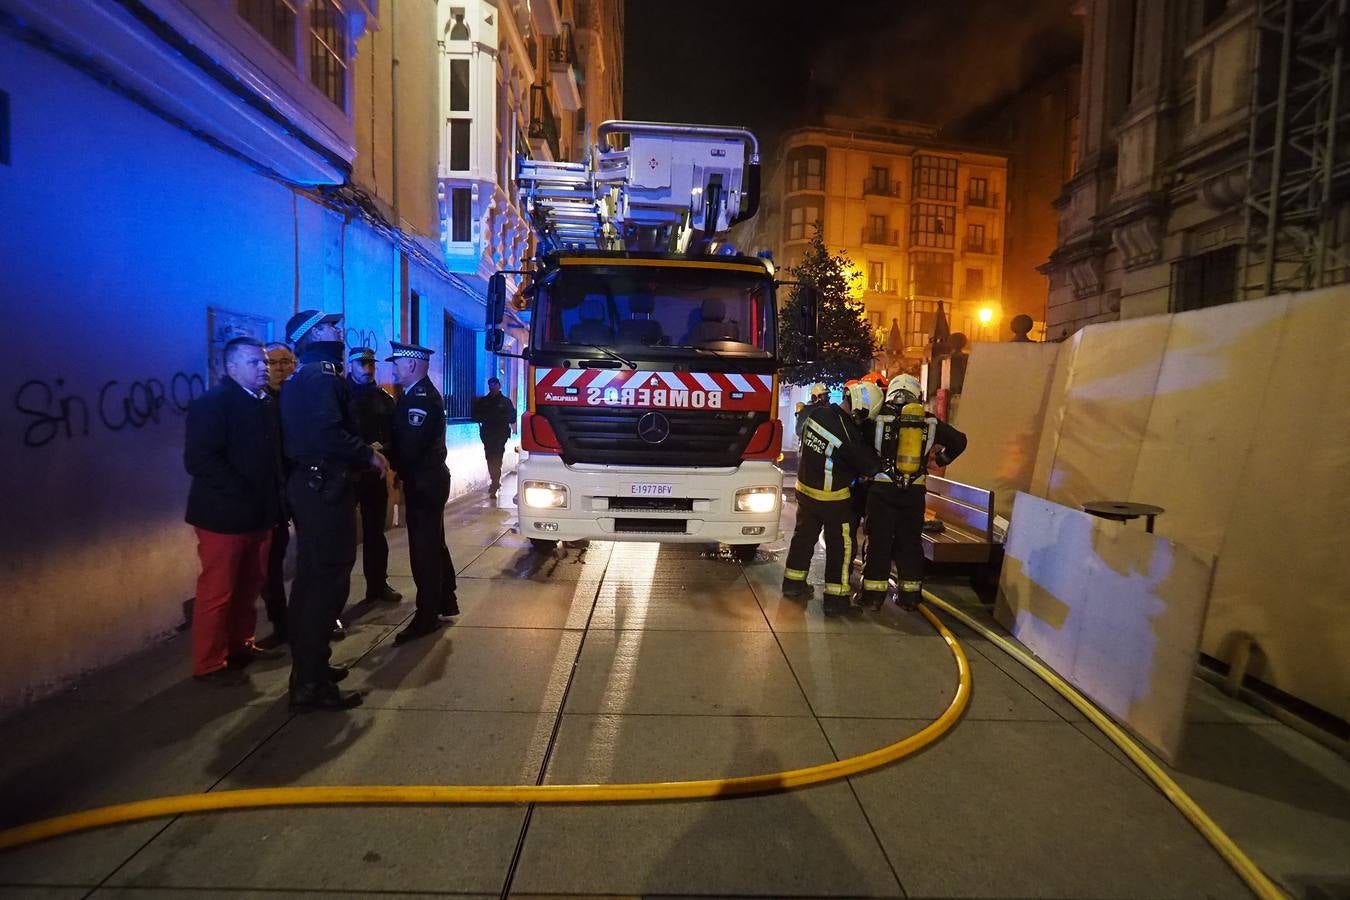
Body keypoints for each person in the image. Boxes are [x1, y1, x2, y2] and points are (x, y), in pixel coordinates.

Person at [280, 309, 386, 710]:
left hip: (312, 486)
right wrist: (368, 456)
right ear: (312, 335)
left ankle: (313, 669)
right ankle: (310, 685)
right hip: (324, 487)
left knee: (313, 581)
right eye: (329, 326)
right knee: (325, 584)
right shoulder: (322, 375)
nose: (338, 330)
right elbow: (328, 432)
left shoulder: (305, 376)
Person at [183, 337, 284, 684]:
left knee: (248, 586)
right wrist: (245, 492)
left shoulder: (265, 404)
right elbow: (200, 460)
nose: (263, 369)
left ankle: (241, 644)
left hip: (259, 515)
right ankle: (208, 662)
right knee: (218, 590)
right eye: (254, 363)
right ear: (231, 367)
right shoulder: (214, 404)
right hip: (222, 518)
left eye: (265, 363)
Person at [859, 373, 968, 611]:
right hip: (914, 493)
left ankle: (872, 597)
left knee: (879, 541)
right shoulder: (928, 421)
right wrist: (940, 459)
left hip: (881, 490)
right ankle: (910, 597)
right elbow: (960, 441)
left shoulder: (877, 419)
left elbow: (859, 446)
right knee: (909, 543)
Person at [782, 386, 881, 616]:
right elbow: (870, 466)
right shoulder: (847, 434)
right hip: (833, 499)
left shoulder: (818, 414)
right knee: (841, 547)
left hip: (805, 491)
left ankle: (793, 584)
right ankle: (835, 600)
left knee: (803, 538)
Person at [386, 341, 460, 645]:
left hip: (423, 482)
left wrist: (383, 456)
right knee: (434, 543)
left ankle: (426, 615)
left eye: (398, 364)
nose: (393, 370)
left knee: (424, 550)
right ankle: (445, 600)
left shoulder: (420, 398)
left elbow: (411, 447)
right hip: (429, 480)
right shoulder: (417, 394)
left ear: (413, 366)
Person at [346, 347, 402, 608]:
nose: (367, 370)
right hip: (345, 474)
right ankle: (335, 601)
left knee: (375, 534)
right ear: (350, 365)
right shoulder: (339, 394)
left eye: (370, 365)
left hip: (373, 474)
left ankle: (377, 585)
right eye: (361, 364)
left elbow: (394, 434)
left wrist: (389, 456)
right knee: (342, 540)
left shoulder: (383, 398)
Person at [256, 341, 296, 650]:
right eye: (273, 363)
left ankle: (320, 616)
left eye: (286, 362)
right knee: (272, 564)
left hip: (304, 486)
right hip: (273, 494)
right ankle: (282, 624)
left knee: (315, 556)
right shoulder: (258, 405)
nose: (280, 368)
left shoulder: (302, 398)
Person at [471, 376, 517, 499]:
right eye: (490, 385)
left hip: (500, 435)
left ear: (498, 386)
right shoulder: (484, 401)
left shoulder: (505, 402)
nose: (492, 388)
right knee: (490, 458)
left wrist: (501, 419)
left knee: (497, 458)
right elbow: (475, 415)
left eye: (494, 385)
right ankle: (495, 481)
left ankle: (495, 482)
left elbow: (512, 417)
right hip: (488, 435)